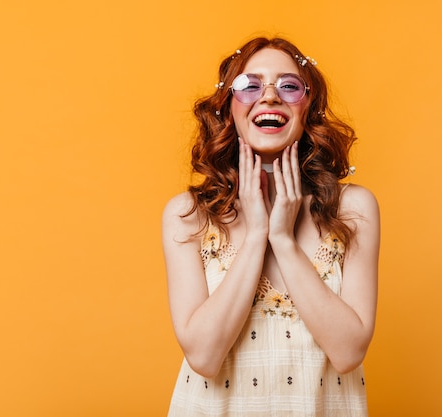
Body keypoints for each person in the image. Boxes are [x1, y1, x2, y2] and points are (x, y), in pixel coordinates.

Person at [162, 36, 380, 417]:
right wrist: (256, 237)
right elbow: (204, 356)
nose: (269, 96)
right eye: (249, 85)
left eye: (288, 86)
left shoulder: (353, 209)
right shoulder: (188, 216)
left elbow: (348, 353)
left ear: (307, 107)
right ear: (229, 108)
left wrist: (283, 239)